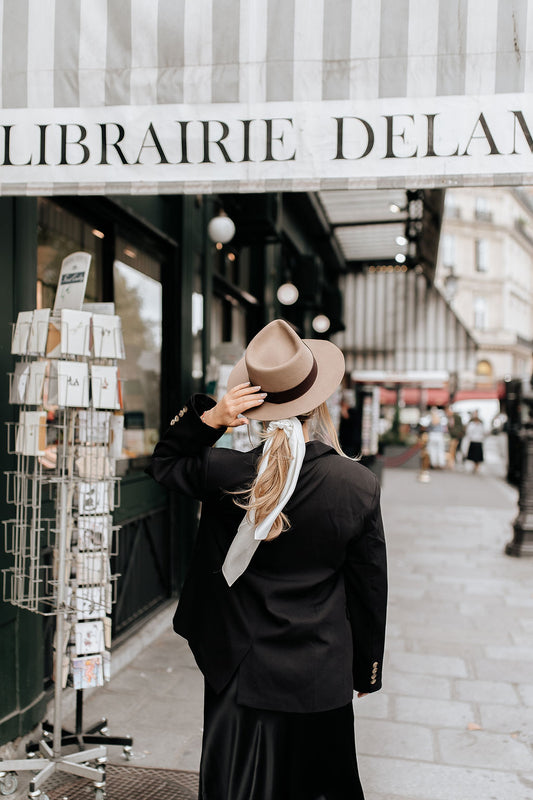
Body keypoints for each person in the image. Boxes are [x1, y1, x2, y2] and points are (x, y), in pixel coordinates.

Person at [148, 319, 388, 800]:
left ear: (254, 406)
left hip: (239, 665)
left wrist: (211, 418)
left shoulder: (227, 472)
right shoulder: (357, 484)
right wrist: (366, 668)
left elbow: (165, 464)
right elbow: (369, 588)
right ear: (318, 401)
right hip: (321, 669)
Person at [445, 405, 465, 469]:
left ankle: (452, 463)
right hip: (451, 436)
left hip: (456, 436)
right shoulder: (449, 417)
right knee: (451, 450)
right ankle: (450, 462)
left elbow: (460, 427)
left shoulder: (456, 417)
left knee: (453, 450)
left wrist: (458, 434)